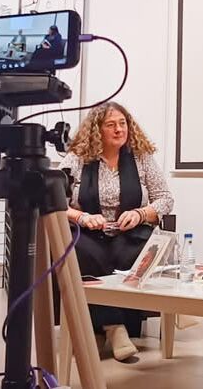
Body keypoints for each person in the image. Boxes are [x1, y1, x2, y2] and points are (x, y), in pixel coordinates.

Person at [59, 101, 174, 361]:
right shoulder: (77, 158)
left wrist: (140, 213)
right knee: (85, 254)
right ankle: (114, 327)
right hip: (88, 232)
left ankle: (103, 329)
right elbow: (56, 202)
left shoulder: (141, 156)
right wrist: (83, 217)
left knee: (129, 254)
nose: (119, 129)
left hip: (130, 232)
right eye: (111, 125)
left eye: (122, 123)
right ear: (96, 130)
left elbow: (165, 199)